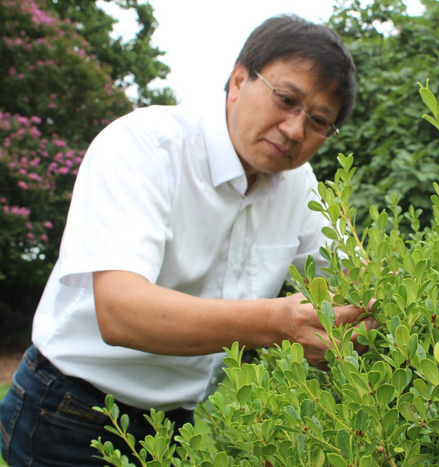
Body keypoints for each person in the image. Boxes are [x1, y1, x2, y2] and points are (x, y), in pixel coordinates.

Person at [0, 14, 373, 466]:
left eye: (318, 121)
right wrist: (278, 322)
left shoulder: (301, 186)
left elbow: (360, 288)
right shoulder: (143, 145)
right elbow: (120, 311)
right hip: (72, 410)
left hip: (176, 427)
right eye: (286, 99)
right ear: (238, 80)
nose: (295, 130)